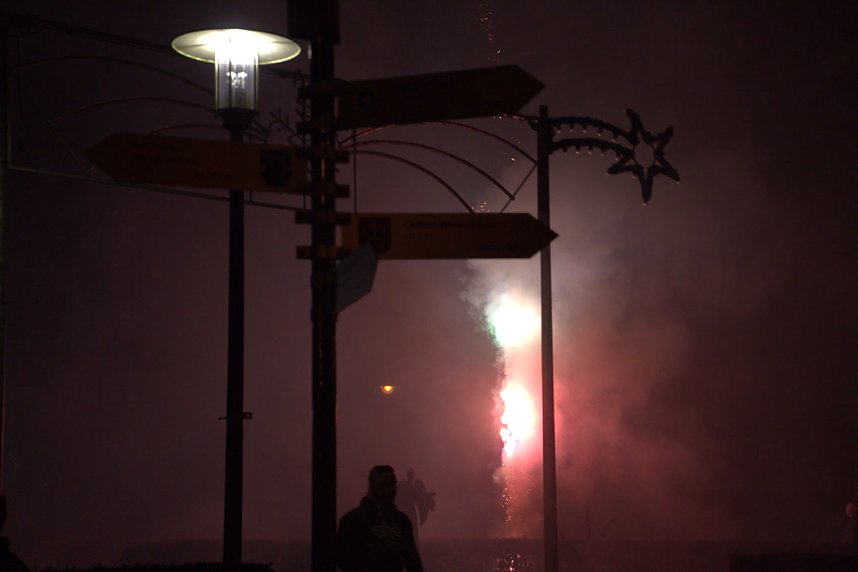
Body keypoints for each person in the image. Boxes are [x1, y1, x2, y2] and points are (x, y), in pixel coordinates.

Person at [337, 465, 423, 572]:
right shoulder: (353, 520)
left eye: (393, 485)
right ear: (374, 487)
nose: (392, 490)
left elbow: (412, 560)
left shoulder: (402, 521)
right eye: (387, 485)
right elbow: (342, 558)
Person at [395, 468, 435, 542]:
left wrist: (428, 497)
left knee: (413, 529)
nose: (411, 476)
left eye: (412, 475)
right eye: (410, 475)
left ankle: (414, 543)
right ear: (407, 475)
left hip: (411, 511)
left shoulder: (415, 486)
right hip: (405, 511)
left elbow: (421, 497)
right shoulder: (403, 485)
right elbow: (398, 497)